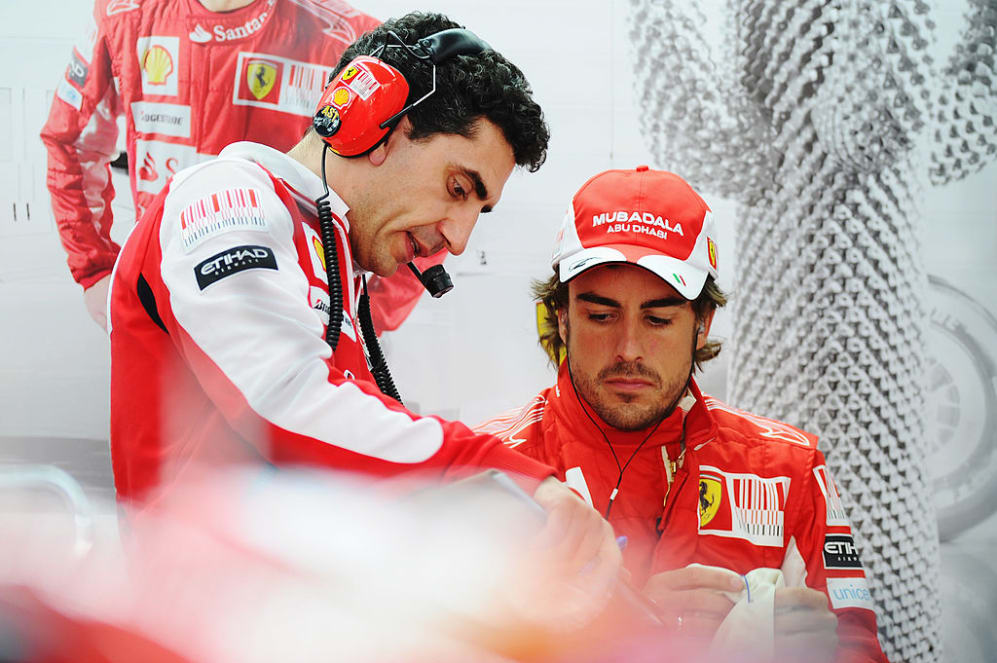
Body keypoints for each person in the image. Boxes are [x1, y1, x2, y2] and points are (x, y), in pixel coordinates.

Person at [106, 10, 621, 615]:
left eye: (479, 211)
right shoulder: (224, 196)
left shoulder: (328, 257)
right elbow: (283, 405)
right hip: (198, 630)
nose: (457, 239)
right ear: (375, 124)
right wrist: (515, 478)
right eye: (459, 189)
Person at [476, 166, 889, 662]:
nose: (628, 348)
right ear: (562, 317)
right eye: (601, 315)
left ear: (702, 323)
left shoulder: (790, 468)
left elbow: (859, 652)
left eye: (658, 319)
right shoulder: (487, 469)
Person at [39, 0, 431, 333]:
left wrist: (365, 317)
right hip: (163, 310)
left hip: (298, 319)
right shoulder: (123, 16)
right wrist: (95, 271)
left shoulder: (352, 40)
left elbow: (431, 182)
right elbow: (70, 143)